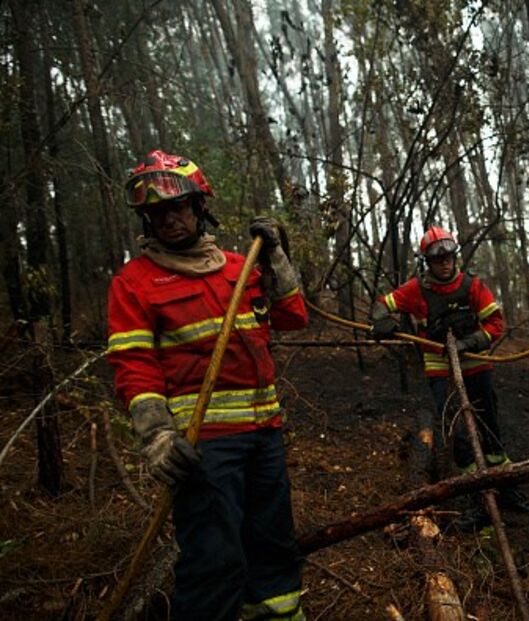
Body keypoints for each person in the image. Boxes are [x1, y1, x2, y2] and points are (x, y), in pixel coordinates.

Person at [106, 150, 307, 620]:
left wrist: (277, 254)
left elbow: (293, 316)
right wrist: (157, 436)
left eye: (177, 207)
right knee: (214, 559)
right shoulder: (134, 284)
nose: (169, 219)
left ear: (199, 208)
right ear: (146, 219)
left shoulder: (239, 267)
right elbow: (134, 367)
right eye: (157, 212)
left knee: (273, 546)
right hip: (204, 448)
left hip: (265, 435)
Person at [370, 226, 529, 528]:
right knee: (458, 433)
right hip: (439, 369)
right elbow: (383, 304)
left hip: (475, 364)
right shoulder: (416, 290)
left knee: (491, 428)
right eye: (438, 259)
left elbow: (495, 324)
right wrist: (381, 320)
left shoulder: (473, 286)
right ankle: (477, 495)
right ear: (428, 262)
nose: (445, 263)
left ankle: (507, 488)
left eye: (449, 257)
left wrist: (468, 343)